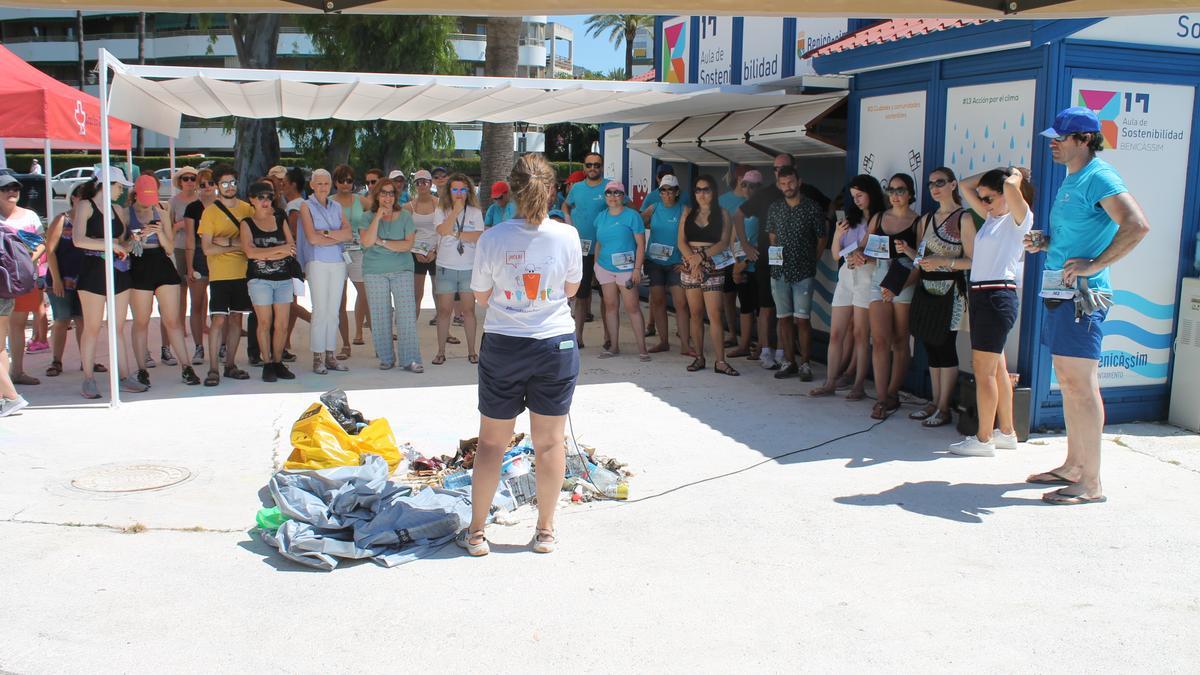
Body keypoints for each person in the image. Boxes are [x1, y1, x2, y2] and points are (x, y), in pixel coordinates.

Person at [1024, 107, 1149, 504]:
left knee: (1081, 385)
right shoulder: (1072, 179)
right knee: (1069, 381)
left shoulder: (1100, 176)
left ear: (1084, 139)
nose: (1053, 145)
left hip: (1084, 297)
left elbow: (1137, 225)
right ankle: (1073, 465)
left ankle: (1091, 483)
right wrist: (1045, 242)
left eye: (1060, 138)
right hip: (1061, 292)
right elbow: (1079, 234)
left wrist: (1096, 265)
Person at [461, 153, 582, 556]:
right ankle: (545, 531)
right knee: (550, 443)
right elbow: (570, 290)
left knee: (492, 444)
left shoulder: (493, 237)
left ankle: (477, 533)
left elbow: (480, 296)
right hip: (555, 344)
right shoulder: (567, 235)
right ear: (551, 190)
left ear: (511, 190)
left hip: (505, 344)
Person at [945, 168, 1033, 455]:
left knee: (983, 372)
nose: (983, 203)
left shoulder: (1018, 219)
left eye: (990, 198)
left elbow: (1009, 188)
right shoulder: (992, 219)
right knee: (996, 369)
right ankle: (1006, 431)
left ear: (1009, 195)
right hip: (984, 295)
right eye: (981, 199)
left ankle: (983, 439)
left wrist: (1015, 174)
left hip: (996, 296)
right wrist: (999, 170)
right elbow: (966, 184)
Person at [900, 168, 975, 426]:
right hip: (926, 288)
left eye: (940, 182)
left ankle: (944, 407)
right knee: (930, 346)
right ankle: (935, 401)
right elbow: (921, 260)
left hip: (951, 290)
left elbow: (972, 261)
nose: (934, 187)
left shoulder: (963, 218)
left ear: (953, 184)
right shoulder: (926, 219)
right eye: (931, 183)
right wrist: (909, 252)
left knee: (944, 346)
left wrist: (944, 261)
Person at [72, 168, 144, 398]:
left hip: (119, 270)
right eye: (119, 186)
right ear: (107, 184)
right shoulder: (85, 206)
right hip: (93, 271)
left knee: (118, 327)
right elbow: (78, 239)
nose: (122, 190)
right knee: (92, 327)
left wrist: (135, 241)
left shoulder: (118, 209)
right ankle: (88, 378)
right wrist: (108, 244)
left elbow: (122, 242)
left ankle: (124, 375)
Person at [810, 175, 884, 399]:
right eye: (853, 196)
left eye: (860, 195)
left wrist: (859, 255)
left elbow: (876, 252)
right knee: (836, 334)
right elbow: (835, 255)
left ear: (871, 193)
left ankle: (859, 384)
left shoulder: (881, 218)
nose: (857, 200)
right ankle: (830, 381)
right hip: (846, 276)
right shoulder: (850, 219)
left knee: (862, 334)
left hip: (867, 277)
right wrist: (838, 235)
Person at [127, 174, 199, 387]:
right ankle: (141, 368)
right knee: (141, 320)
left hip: (161, 263)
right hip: (138, 264)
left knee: (172, 320)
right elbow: (122, 245)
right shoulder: (125, 213)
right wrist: (137, 237)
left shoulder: (161, 209)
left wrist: (158, 232)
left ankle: (186, 366)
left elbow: (169, 248)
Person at [865, 173, 920, 419]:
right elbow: (866, 249)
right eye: (891, 190)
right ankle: (880, 398)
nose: (895, 195)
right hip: (879, 277)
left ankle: (892, 392)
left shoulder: (918, 221)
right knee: (879, 340)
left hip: (905, 279)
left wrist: (901, 284)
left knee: (900, 340)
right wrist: (857, 256)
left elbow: (920, 262)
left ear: (910, 193)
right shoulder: (878, 217)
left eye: (901, 190)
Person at [766, 166, 826, 382]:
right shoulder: (774, 208)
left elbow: (821, 238)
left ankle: (806, 363)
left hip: (803, 272)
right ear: (778, 185)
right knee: (783, 319)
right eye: (783, 184)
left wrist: (813, 261)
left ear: (799, 182)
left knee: (802, 320)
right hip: (779, 271)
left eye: (790, 182)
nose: (787, 187)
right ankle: (789, 362)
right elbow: (771, 236)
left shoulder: (812, 208)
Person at [733, 154, 793, 369]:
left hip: (793, 262)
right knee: (766, 307)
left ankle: (783, 352)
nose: (781, 172)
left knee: (786, 310)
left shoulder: (804, 193)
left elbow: (829, 209)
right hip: (766, 259)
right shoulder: (765, 194)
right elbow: (738, 215)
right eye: (777, 169)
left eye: (785, 168)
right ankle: (765, 351)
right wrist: (746, 247)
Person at [198, 165, 255, 386]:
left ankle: (230, 364)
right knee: (218, 319)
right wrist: (237, 245)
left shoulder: (247, 209)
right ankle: (213, 367)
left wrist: (228, 242)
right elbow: (207, 248)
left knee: (236, 319)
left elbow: (250, 243)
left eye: (232, 182)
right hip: (219, 275)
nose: (229, 187)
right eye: (224, 183)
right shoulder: (210, 212)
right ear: (217, 186)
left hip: (242, 273)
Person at [678, 174, 737, 376]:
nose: (702, 194)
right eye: (698, 190)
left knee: (715, 315)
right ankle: (699, 357)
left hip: (712, 264)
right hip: (690, 265)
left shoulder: (723, 214)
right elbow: (681, 241)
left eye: (706, 189)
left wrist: (701, 258)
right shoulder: (687, 213)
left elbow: (723, 242)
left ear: (714, 192)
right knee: (695, 313)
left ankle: (720, 361)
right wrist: (692, 260)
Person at [239, 180, 298, 382]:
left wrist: (264, 254)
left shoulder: (280, 218)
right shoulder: (247, 223)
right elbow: (249, 252)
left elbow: (291, 248)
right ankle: (267, 363)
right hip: (259, 280)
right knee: (264, 322)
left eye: (269, 196)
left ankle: (278, 361)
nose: (265, 201)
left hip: (283, 279)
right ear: (252, 200)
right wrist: (277, 251)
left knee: (282, 324)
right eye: (260, 197)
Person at [361, 177, 421, 372]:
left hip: (402, 269)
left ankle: (410, 359)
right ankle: (386, 358)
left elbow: (407, 245)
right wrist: (378, 217)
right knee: (380, 315)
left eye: (391, 193)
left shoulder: (404, 216)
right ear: (376, 195)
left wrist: (383, 242)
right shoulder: (367, 217)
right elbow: (367, 242)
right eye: (383, 193)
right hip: (374, 271)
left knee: (406, 314)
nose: (387, 197)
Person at [298, 168, 352, 374]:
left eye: (326, 184)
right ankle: (317, 357)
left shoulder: (337, 206)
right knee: (320, 310)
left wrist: (327, 233)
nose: (322, 187)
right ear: (312, 185)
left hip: (337, 262)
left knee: (334, 310)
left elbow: (348, 234)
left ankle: (330, 354)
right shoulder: (306, 206)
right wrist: (336, 235)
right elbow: (312, 238)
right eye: (319, 184)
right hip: (317, 261)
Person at [593, 180, 649, 360]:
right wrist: (596, 265)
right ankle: (614, 346)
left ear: (623, 196)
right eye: (609, 193)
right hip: (604, 267)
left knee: (632, 307)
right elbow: (599, 243)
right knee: (610, 306)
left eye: (617, 193)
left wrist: (637, 269)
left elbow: (641, 244)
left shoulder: (632, 215)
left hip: (626, 268)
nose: (613, 196)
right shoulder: (601, 216)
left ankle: (642, 349)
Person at [432, 173, 484, 365]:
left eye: (463, 189)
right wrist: (455, 211)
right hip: (446, 267)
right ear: (449, 191)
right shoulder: (441, 210)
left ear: (469, 191)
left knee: (468, 311)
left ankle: (472, 351)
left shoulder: (475, 212)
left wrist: (455, 233)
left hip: (468, 268)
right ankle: (440, 351)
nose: (459, 193)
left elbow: (477, 236)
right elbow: (441, 230)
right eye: (455, 189)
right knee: (444, 311)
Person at [1, 175, 47, 387]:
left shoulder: (29, 216)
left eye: (15, 188)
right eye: (6, 188)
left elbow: (41, 244)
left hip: (22, 281)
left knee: (17, 325)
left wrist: (23, 264)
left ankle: (17, 372)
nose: (12, 192)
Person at [563, 152, 611, 348]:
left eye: (597, 165)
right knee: (581, 296)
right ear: (584, 167)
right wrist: (569, 222)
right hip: (581, 249)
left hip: (605, 249)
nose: (593, 169)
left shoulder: (610, 187)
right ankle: (578, 338)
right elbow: (566, 205)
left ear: (602, 167)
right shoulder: (577, 188)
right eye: (589, 165)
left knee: (606, 298)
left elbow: (629, 208)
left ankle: (609, 338)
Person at [42, 184, 90, 378]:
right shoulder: (62, 219)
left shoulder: (92, 221)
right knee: (61, 320)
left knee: (83, 322)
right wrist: (56, 280)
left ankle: (87, 360)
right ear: (73, 198)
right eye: (82, 196)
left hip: (85, 280)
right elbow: (50, 250)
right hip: (61, 279)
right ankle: (56, 360)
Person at [641, 174, 691, 355]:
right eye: (663, 189)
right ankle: (664, 342)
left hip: (676, 263)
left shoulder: (685, 210)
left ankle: (685, 344)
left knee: (681, 304)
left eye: (671, 189)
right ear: (659, 192)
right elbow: (636, 226)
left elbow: (692, 237)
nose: (667, 193)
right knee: (659, 302)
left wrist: (687, 260)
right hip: (654, 263)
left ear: (677, 192)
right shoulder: (653, 208)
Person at [720, 169, 760, 360]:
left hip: (757, 265)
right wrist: (737, 262)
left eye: (752, 186)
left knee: (761, 308)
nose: (747, 189)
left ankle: (762, 346)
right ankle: (743, 343)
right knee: (744, 304)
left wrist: (743, 262)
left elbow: (765, 239)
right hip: (737, 262)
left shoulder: (764, 208)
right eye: (745, 185)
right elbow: (734, 237)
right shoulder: (740, 209)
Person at [332, 164, 369, 357]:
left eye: (349, 180)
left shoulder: (360, 200)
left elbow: (380, 213)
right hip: (335, 253)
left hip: (358, 252)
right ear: (335, 182)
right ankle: (345, 344)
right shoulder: (329, 201)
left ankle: (365, 332)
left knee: (365, 293)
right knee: (340, 300)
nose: (345, 184)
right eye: (341, 180)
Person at [166, 166, 200, 365]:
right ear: (180, 182)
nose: (189, 181)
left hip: (197, 248)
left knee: (199, 289)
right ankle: (180, 325)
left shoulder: (200, 201)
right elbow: (167, 228)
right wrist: (180, 225)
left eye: (192, 178)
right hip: (179, 248)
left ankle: (199, 324)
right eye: (185, 178)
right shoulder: (173, 202)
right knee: (181, 289)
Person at [182, 168, 214, 365]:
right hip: (199, 257)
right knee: (197, 304)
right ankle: (198, 347)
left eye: (211, 183)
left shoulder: (223, 206)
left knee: (221, 306)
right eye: (203, 184)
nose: (207, 187)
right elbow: (189, 240)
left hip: (220, 257)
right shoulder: (192, 208)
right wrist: (189, 266)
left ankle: (222, 346)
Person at [280, 166, 309, 359]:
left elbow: (293, 234)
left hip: (293, 259)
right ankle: (285, 340)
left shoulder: (293, 207)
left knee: (288, 301)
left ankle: (314, 321)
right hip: (301, 259)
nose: (281, 186)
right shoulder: (303, 203)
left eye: (284, 183)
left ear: (292, 184)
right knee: (292, 299)